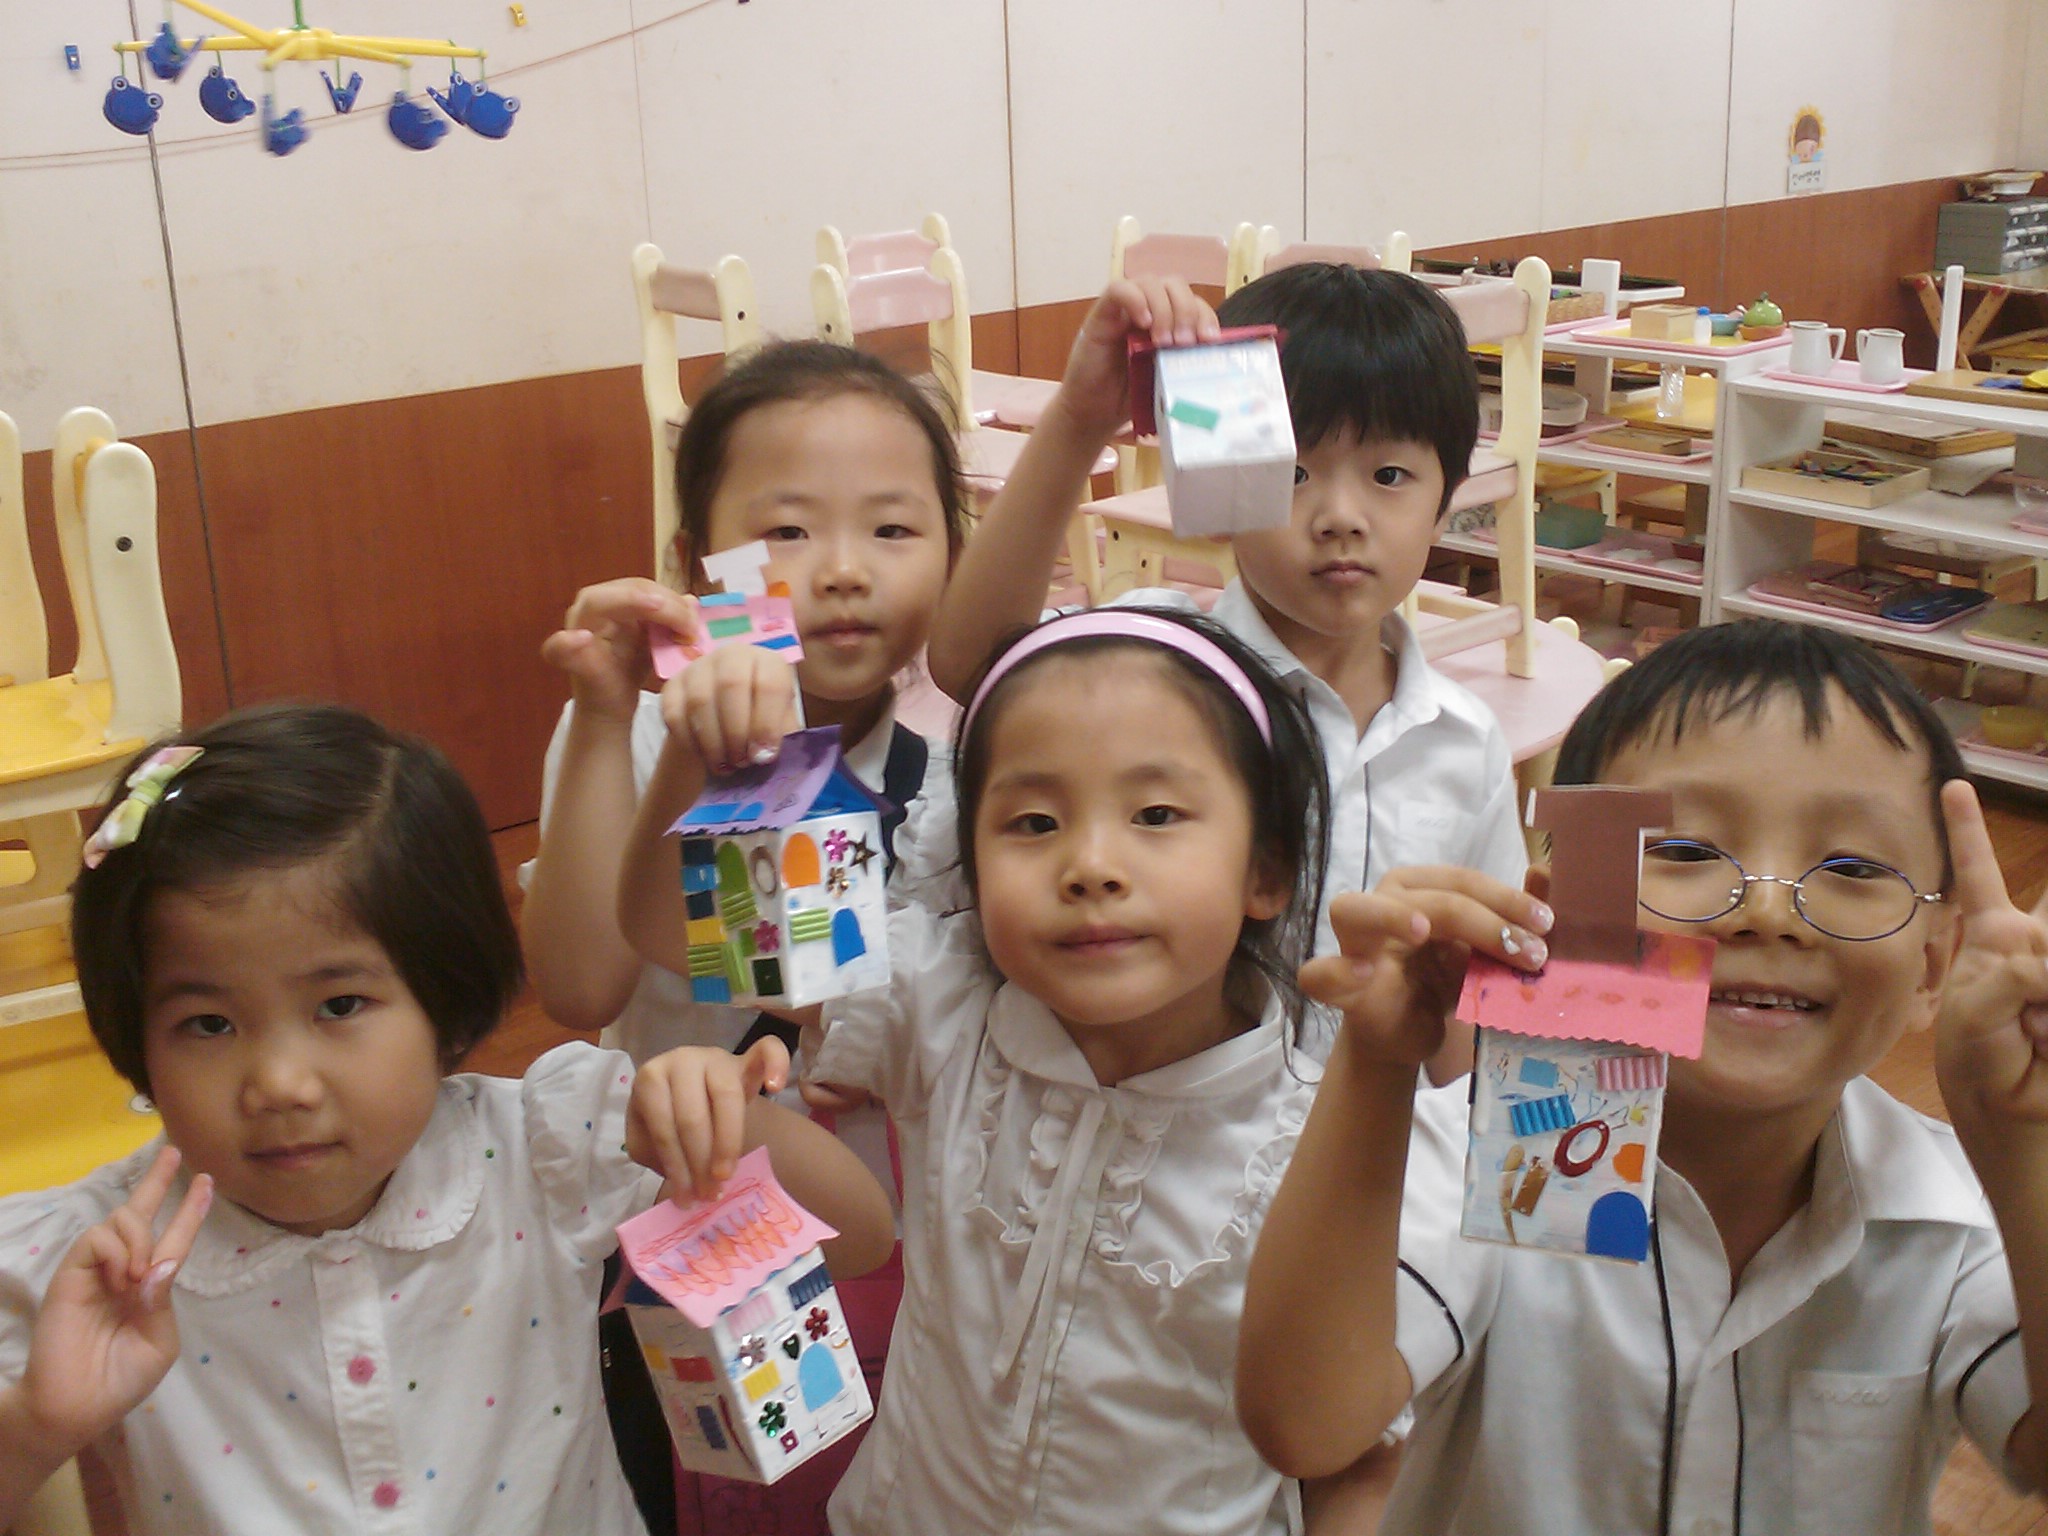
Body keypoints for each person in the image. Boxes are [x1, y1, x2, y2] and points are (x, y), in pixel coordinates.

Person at [0, 703, 890, 1536]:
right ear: (135, 1037)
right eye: (207, 1023)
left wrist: (720, 1131)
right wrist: (35, 1432)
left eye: (339, 1005)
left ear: (446, 1003)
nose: (278, 1083)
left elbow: (859, 1237)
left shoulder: (546, 1151)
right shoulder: (95, 1265)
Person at [1239, 620, 2048, 1533]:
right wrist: (1376, 1067)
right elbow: (1306, 1425)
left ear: (1934, 966)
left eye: (1853, 866)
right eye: (1689, 853)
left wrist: (2025, 1147)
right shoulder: (1500, 1156)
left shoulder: (1958, 1217)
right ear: (1564, 919)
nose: (1768, 911)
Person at [619, 606, 1330, 1534]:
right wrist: (704, 750)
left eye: (1156, 815)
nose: (1091, 865)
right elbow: (668, 928)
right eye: (1034, 822)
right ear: (974, 862)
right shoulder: (946, 1000)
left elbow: (1346, 1444)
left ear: (1266, 872)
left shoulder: (1317, 1141)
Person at [521, 339, 972, 1526]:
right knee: (740, 1494)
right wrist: (620, 718)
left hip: (926, 1238)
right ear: (692, 564)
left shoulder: (969, 756)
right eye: (784, 530)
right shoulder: (630, 730)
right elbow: (579, 983)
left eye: (892, 528)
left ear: (955, 550)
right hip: (710, 1236)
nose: (842, 570)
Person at [927, 264, 1526, 1077]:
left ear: (1444, 503)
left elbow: (1479, 1016)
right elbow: (975, 663)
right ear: (1221, 480)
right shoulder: (1156, 663)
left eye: (1389, 476)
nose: (1340, 518)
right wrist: (1079, 421)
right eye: (1292, 473)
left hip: (1384, 1134)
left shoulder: (1464, 741)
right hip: (1178, 1127)